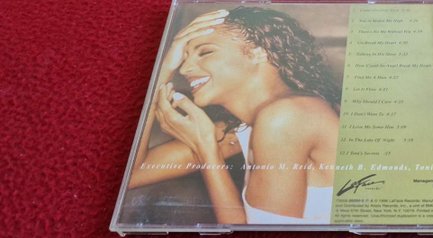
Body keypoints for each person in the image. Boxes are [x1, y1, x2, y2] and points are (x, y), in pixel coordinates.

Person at [128, 7, 341, 224]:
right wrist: (164, 69)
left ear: (259, 53)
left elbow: (262, 237)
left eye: (205, 52)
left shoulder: (286, 117)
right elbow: (134, 174)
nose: (184, 69)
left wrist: (206, 149)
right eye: (183, 58)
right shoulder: (250, 124)